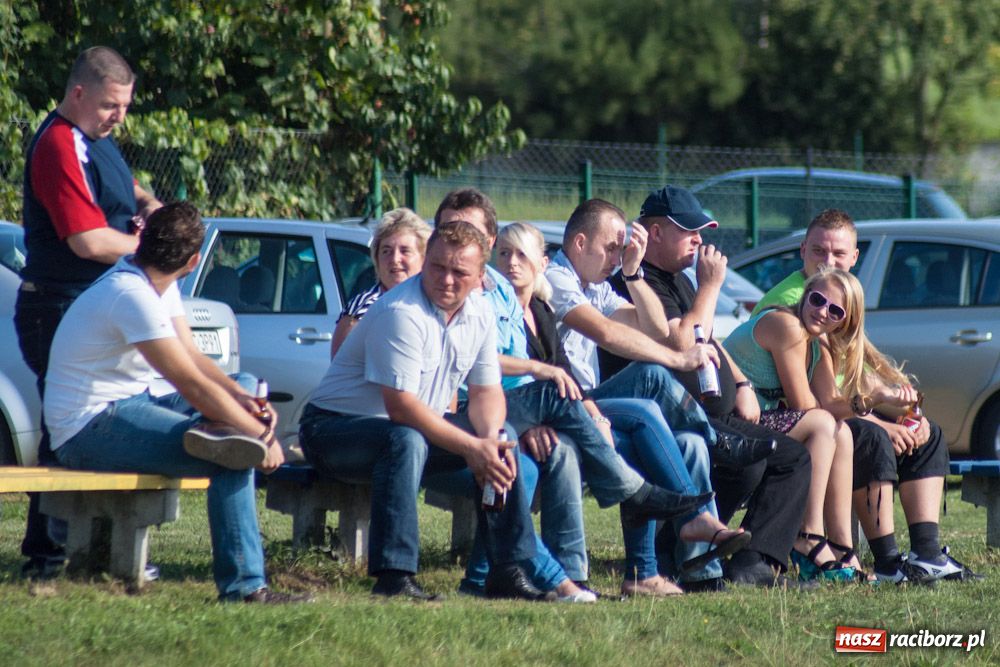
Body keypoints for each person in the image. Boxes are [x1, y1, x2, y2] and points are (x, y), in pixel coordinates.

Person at [437, 188, 745, 597]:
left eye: (622, 252)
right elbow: (608, 334)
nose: (618, 259)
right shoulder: (556, 281)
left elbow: (654, 329)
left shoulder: (590, 285)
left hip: (576, 402)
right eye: (613, 249)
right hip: (560, 404)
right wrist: (675, 361)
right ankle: (710, 464)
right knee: (651, 381)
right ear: (580, 244)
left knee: (683, 439)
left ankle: (658, 569)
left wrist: (633, 275)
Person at [45, 202, 309, 603]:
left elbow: (193, 356)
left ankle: (224, 433)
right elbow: (187, 383)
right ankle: (244, 587)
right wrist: (260, 434)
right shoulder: (131, 294)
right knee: (235, 453)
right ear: (193, 261)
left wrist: (243, 399)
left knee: (244, 382)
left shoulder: (152, 280)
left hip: (132, 403)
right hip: (86, 427)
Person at [299, 221, 550, 601]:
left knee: (504, 440)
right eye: (437, 267)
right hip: (332, 432)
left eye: (459, 272)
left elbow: (486, 392)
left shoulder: (481, 312)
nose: (446, 280)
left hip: (410, 430)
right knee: (405, 439)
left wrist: (489, 437)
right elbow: (401, 408)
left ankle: (506, 570)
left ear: (481, 277)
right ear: (427, 262)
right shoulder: (400, 310)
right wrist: (470, 447)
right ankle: (394, 577)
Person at [601, 185, 814, 589]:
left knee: (784, 457)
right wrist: (711, 288)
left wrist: (742, 381)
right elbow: (679, 340)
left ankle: (747, 560)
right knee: (764, 460)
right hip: (656, 416)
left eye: (702, 230)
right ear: (656, 233)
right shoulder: (635, 280)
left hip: (707, 411)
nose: (700, 239)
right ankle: (694, 551)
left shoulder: (678, 279)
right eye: (689, 230)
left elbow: (706, 340)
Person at [752, 209, 981, 583]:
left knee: (928, 434)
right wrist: (878, 420)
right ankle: (889, 562)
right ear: (802, 250)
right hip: (800, 421)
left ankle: (926, 553)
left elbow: (859, 372)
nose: (828, 261)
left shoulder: (837, 294)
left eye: (838, 254)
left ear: (854, 258)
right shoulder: (800, 303)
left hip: (834, 411)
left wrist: (906, 413)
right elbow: (820, 398)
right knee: (871, 436)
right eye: (819, 252)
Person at [15, 46, 163, 579]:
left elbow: (125, 188)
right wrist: (151, 247)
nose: (119, 116)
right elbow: (85, 240)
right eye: (109, 105)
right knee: (66, 426)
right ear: (78, 93)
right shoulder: (58, 142)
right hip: (57, 306)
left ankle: (97, 550)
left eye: (124, 105)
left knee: (105, 417)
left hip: (90, 305)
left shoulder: (93, 140)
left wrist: (149, 208)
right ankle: (46, 560)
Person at [724, 268, 876, 581]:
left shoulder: (819, 346)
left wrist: (873, 398)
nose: (822, 312)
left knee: (842, 432)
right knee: (821, 423)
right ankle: (808, 535)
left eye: (835, 310)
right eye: (817, 300)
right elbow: (802, 405)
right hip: (725, 420)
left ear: (844, 321)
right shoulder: (787, 325)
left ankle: (841, 545)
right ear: (805, 296)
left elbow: (834, 406)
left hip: (754, 421)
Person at [331, 208, 431, 357]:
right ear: (376, 259)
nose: (395, 259)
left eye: (405, 251)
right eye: (386, 251)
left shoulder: (433, 303)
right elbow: (341, 371)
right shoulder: (362, 310)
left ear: (424, 258)